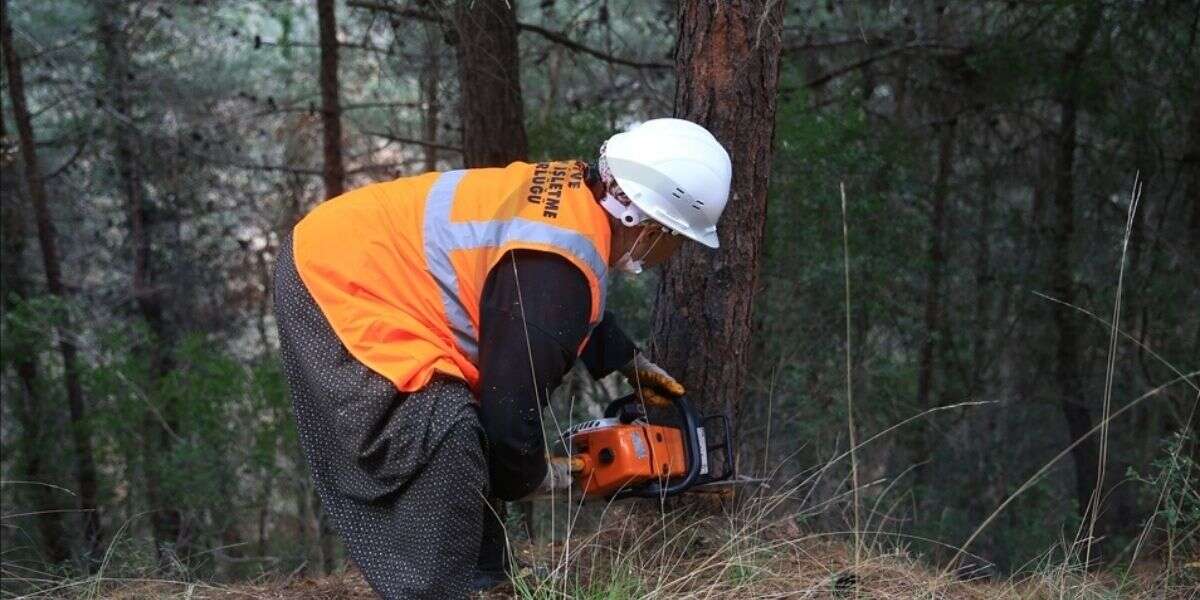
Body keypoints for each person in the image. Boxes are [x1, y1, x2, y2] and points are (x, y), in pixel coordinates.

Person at [273, 118, 732, 599]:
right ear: (646, 223)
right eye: (675, 238)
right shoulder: (555, 273)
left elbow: (540, 296)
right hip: (335, 277)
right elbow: (509, 418)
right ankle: (436, 592)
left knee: (460, 419)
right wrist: (545, 477)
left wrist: (626, 360)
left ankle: (486, 580)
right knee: (441, 429)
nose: (669, 251)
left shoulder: (576, 202)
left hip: (350, 247)